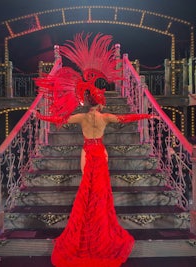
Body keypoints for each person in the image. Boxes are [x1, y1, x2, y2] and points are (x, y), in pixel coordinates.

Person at [35, 33, 156, 267]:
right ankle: (100, 236)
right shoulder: (107, 118)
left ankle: (85, 235)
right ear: (100, 102)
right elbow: (128, 117)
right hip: (99, 154)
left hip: (87, 154)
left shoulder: (80, 117)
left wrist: (40, 115)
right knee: (101, 198)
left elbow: (58, 120)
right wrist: (147, 114)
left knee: (86, 196)